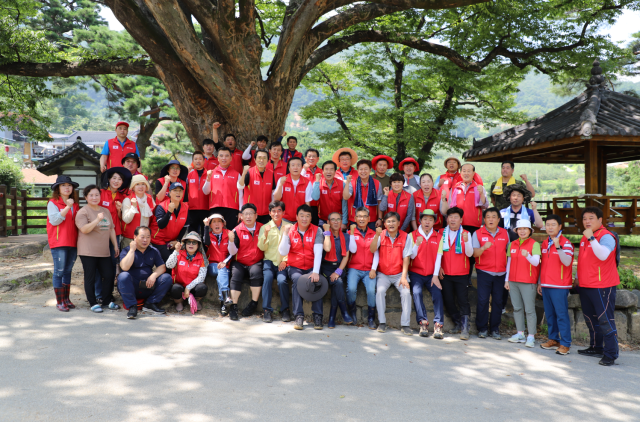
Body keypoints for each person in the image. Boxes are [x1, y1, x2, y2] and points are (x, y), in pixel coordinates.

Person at [576, 207, 620, 366]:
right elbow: (583, 260)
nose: (587, 221)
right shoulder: (586, 237)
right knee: (590, 318)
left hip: (602, 285)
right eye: (585, 219)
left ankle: (611, 353)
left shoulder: (606, 236)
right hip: (586, 284)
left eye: (591, 218)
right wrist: (577, 279)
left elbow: (603, 255)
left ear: (600, 220)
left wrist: (591, 238)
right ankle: (596, 347)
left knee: (605, 319)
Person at [278, 204, 325, 330]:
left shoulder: (317, 230)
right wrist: (286, 234)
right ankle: (298, 316)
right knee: (298, 281)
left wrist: (315, 272)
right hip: (295, 266)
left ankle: (318, 316)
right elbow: (283, 252)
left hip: (311, 266)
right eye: (302, 215)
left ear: (311, 218)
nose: (304, 218)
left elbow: (318, 252)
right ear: (296, 217)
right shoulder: (291, 230)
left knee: (316, 281)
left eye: (307, 216)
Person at [441, 163, 488, 285]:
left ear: (473, 173)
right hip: (457, 226)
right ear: (460, 173)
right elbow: (451, 205)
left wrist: (481, 193)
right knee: (458, 252)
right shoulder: (456, 187)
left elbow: (485, 205)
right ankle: (457, 276)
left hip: (473, 226)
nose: (466, 173)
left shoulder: (479, 187)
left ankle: (468, 280)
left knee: (470, 253)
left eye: (469, 171)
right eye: (464, 171)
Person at [75, 185, 120, 313]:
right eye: (91, 195)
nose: (94, 197)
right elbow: (84, 229)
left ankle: (106, 300)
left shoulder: (105, 211)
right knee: (91, 277)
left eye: (97, 195)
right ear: (86, 197)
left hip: (104, 250)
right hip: (88, 251)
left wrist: (115, 245)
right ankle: (93, 302)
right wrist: (97, 219)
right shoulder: (83, 212)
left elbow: (111, 229)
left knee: (109, 274)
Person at [432, 207, 474, 339]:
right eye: (450, 217)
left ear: (461, 220)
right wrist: (438, 268)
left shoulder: (466, 233)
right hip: (445, 273)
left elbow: (470, 254)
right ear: (447, 219)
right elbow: (438, 253)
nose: (453, 219)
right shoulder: (440, 232)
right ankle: (457, 323)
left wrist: (466, 241)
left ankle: (465, 328)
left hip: (461, 272)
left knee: (463, 300)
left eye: (456, 217)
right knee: (448, 300)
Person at [370, 212, 413, 335]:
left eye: (394, 221)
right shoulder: (381, 234)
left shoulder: (406, 236)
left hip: (399, 273)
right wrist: (376, 236)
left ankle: (405, 324)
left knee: (406, 293)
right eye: (388, 221)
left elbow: (406, 258)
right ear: (384, 224)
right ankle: (382, 323)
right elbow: (372, 249)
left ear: (399, 223)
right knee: (380, 292)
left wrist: (404, 277)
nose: (391, 224)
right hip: (383, 274)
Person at [118, 226, 173, 319]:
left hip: (148, 285)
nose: (145, 240)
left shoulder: (153, 250)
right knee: (123, 276)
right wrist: (132, 250)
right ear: (135, 237)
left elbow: (162, 267)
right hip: (132, 287)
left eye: (148, 237)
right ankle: (132, 306)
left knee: (167, 278)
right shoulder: (127, 250)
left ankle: (150, 303)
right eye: (142, 237)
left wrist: (153, 276)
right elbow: (124, 267)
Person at [539, 214, 574, 356]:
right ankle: (553, 339)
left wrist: (558, 246)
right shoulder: (544, 243)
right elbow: (543, 265)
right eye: (548, 224)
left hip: (560, 285)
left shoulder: (566, 243)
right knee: (550, 314)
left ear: (560, 226)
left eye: (553, 224)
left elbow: (567, 262)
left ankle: (565, 343)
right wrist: (540, 282)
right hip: (546, 284)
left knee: (561, 315)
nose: (550, 227)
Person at [472, 207, 510, 339]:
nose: (491, 219)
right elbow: (474, 253)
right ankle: (482, 328)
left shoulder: (505, 233)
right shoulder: (477, 233)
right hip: (484, 272)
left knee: (498, 302)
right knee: (482, 300)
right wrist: (483, 248)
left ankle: (495, 329)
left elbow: (509, 254)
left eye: (494, 216)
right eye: (488, 217)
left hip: (501, 273)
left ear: (499, 219)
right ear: (484, 219)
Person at [94, 167, 131, 303]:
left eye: (120, 179)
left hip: (115, 233)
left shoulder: (123, 197)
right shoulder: (100, 193)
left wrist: (120, 211)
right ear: (108, 179)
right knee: (98, 263)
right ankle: (98, 293)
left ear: (122, 182)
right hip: (99, 233)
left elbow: (123, 219)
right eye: (114, 178)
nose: (116, 181)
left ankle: (108, 294)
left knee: (111, 264)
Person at [47, 176, 80, 312]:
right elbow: (55, 221)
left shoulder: (76, 205)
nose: (67, 188)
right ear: (58, 189)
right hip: (59, 241)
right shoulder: (53, 203)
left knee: (68, 271)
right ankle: (59, 301)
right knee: (59, 272)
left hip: (73, 242)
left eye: (69, 185)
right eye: (63, 185)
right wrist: (68, 207)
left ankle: (66, 299)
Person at [409, 209, 444, 338]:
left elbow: (439, 256)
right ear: (420, 221)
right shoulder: (412, 235)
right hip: (416, 273)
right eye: (425, 219)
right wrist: (416, 245)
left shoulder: (439, 237)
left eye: (430, 219)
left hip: (431, 274)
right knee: (417, 292)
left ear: (434, 222)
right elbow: (410, 256)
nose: (427, 222)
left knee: (437, 293)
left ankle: (438, 325)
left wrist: (435, 276)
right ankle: (423, 322)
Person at [505, 219, 541, 348]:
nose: (522, 231)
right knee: (517, 308)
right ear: (516, 231)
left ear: (530, 231)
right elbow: (509, 262)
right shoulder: (512, 244)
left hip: (528, 281)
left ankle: (531, 336)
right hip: (513, 281)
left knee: (529, 310)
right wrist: (506, 280)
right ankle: (520, 333)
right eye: (520, 229)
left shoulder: (534, 244)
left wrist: (528, 256)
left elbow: (536, 262)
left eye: (525, 229)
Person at [227, 204, 265, 320]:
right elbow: (232, 252)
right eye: (245, 214)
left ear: (256, 215)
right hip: (239, 261)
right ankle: (233, 307)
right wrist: (231, 241)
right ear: (241, 216)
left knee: (256, 273)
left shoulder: (262, 228)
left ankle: (253, 303)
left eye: (251, 214)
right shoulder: (236, 230)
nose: (248, 216)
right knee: (236, 275)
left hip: (256, 261)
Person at [258, 201, 291, 323]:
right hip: (269, 261)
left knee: (282, 281)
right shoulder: (264, 227)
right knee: (267, 280)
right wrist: (265, 234)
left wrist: (285, 261)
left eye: (279, 210)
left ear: (283, 212)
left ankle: (285, 309)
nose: (276, 213)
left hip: (283, 262)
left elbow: (292, 247)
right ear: (269, 213)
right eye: (273, 211)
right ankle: (266, 310)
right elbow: (262, 248)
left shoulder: (289, 227)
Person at [346, 207, 378, 329]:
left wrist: (373, 269)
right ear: (355, 218)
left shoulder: (374, 234)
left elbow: (376, 253)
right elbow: (351, 250)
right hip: (354, 267)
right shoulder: (350, 234)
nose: (362, 218)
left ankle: (371, 318)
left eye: (365, 216)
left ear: (369, 219)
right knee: (351, 288)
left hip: (369, 269)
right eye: (359, 216)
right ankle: (352, 313)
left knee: (371, 291)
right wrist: (353, 233)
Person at [321, 213, 354, 328]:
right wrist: (327, 233)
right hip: (326, 268)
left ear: (341, 222)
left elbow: (346, 255)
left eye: (338, 219)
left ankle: (332, 318)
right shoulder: (323, 235)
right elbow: (327, 248)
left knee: (337, 282)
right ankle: (344, 313)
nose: (335, 222)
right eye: (333, 220)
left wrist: (339, 271)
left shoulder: (346, 236)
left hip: (339, 267)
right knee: (338, 282)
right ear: (328, 222)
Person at [166, 232, 209, 313]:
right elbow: (169, 265)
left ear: (198, 245)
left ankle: (197, 301)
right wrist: (176, 251)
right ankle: (179, 302)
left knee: (202, 287)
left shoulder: (202, 258)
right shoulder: (179, 253)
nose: (191, 244)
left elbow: (201, 277)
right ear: (185, 244)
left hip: (194, 287)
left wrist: (188, 287)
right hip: (180, 286)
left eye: (194, 242)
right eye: (188, 242)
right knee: (175, 288)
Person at [203, 146, 243, 230]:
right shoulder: (211, 173)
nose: (224, 158)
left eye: (226, 156)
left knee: (231, 232)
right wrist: (208, 179)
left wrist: (240, 211)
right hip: (215, 207)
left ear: (231, 158)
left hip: (232, 209)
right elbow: (206, 192)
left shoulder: (237, 174)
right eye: (221, 156)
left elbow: (240, 194)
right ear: (217, 158)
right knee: (215, 233)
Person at [151, 182, 190, 262]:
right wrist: (169, 212)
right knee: (170, 262)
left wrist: (178, 241)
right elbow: (161, 225)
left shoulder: (186, 208)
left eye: (180, 190)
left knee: (181, 259)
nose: (178, 192)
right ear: (169, 192)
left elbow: (184, 227)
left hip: (172, 241)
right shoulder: (161, 207)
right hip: (159, 240)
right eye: (175, 190)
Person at [203, 214, 233, 316]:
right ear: (210, 225)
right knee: (221, 269)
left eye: (219, 221)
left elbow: (233, 252)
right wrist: (206, 227)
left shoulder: (229, 234)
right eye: (213, 222)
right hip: (212, 265)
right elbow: (205, 242)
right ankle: (225, 298)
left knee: (222, 270)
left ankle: (223, 301)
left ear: (223, 223)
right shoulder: (209, 235)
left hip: (226, 265)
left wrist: (225, 262)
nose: (216, 224)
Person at [343, 159, 383, 230]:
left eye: (366, 169)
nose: (363, 171)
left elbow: (379, 202)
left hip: (371, 219)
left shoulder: (377, 183)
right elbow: (346, 197)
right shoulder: (352, 183)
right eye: (361, 169)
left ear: (370, 170)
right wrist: (347, 183)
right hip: (355, 218)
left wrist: (380, 218)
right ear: (357, 170)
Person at [239, 149, 275, 225]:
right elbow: (240, 186)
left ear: (268, 160)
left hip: (266, 213)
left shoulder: (271, 174)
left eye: (264, 158)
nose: (261, 160)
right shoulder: (249, 172)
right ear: (255, 160)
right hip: (250, 213)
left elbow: (273, 192)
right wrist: (244, 173)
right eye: (259, 157)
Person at [273, 156, 313, 223]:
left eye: (298, 165)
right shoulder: (282, 179)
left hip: (300, 219)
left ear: (301, 167)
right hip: (284, 218)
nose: (295, 167)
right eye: (293, 165)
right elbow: (276, 199)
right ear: (289, 168)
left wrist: (306, 218)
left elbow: (307, 203)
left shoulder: (307, 182)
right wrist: (280, 185)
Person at [121, 175, 155, 250]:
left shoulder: (149, 198)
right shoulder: (127, 199)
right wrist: (133, 207)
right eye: (137, 184)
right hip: (130, 239)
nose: (141, 186)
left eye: (143, 184)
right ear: (133, 187)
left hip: (145, 239)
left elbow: (153, 218)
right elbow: (126, 219)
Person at [187, 151, 214, 237]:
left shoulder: (209, 174)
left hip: (206, 209)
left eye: (200, 159)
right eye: (195, 159)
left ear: (204, 161)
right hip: (192, 209)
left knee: (206, 234)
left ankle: (205, 250)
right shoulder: (189, 175)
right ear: (193, 161)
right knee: (192, 234)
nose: (198, 161)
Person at [313, 160, 347, 228]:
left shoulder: (341, 184)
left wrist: (344, 222)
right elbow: (315, 197)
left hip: (338, 219)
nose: (329, 172)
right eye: (326, 169)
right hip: (323, 219)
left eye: (331, 169)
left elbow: (344, 204)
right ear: (322, 171)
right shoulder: (317, 183)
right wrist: (317, 182)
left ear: (335, 172)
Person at [301, 148, 323, 226]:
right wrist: (304, 169)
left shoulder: (322, 171)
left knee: (315, 227)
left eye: (314, 156)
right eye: (309, 156)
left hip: (318, 206)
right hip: (304, 205)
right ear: (305, 158)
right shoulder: (301, 170)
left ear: (317, 159)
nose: (311, 158)